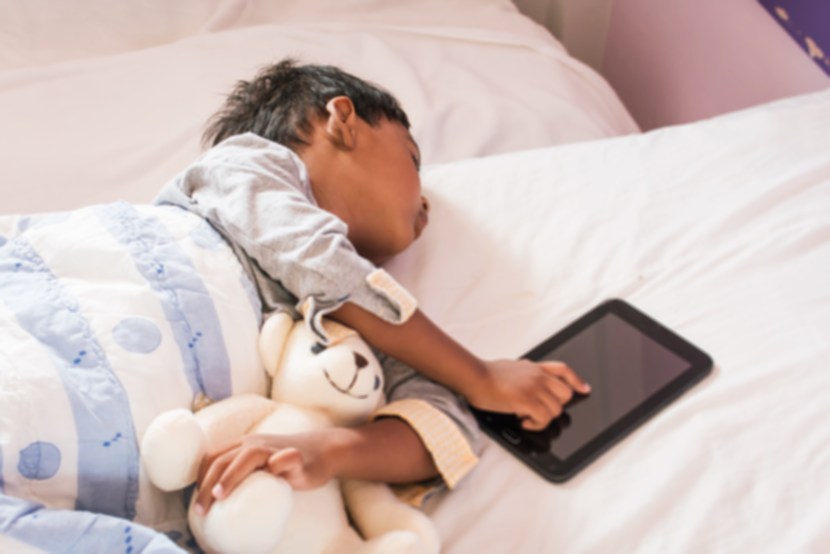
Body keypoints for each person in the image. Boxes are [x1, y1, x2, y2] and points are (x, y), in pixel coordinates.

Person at [154, 59, 590, 515]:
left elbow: (444, 424)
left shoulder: (347, 319)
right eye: (413, 159)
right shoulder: (241, 167)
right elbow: (323, 263)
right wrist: (479, 376)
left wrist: (325, 450)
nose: (425, 202)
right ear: (342, 121)